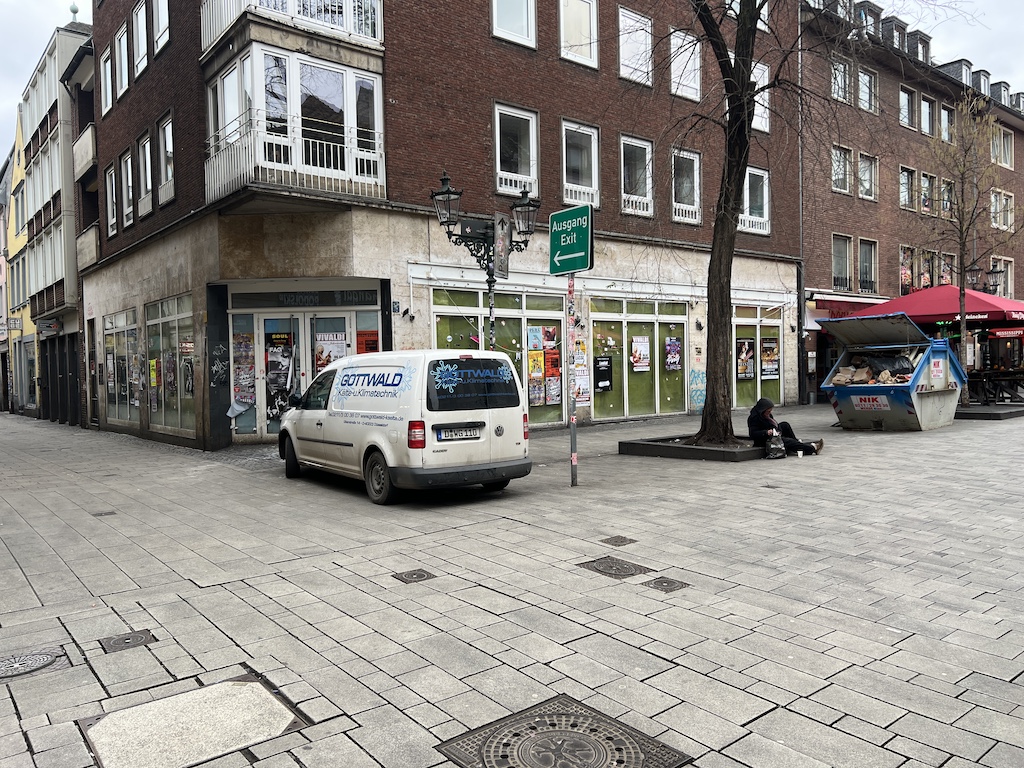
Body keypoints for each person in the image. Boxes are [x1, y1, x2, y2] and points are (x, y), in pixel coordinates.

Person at [748, 398, 823, 455]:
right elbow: (753, 434)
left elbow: (774, 424)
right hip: (765, 440)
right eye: (768, 411)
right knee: (787, 441)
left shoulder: (767, 415)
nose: (769, 413)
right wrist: (766, 432)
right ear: (762, 410)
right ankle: (813, 448)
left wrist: (777, 430)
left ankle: (797, 444)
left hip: (773, 434)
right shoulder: (754, 418)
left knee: (785, 425)